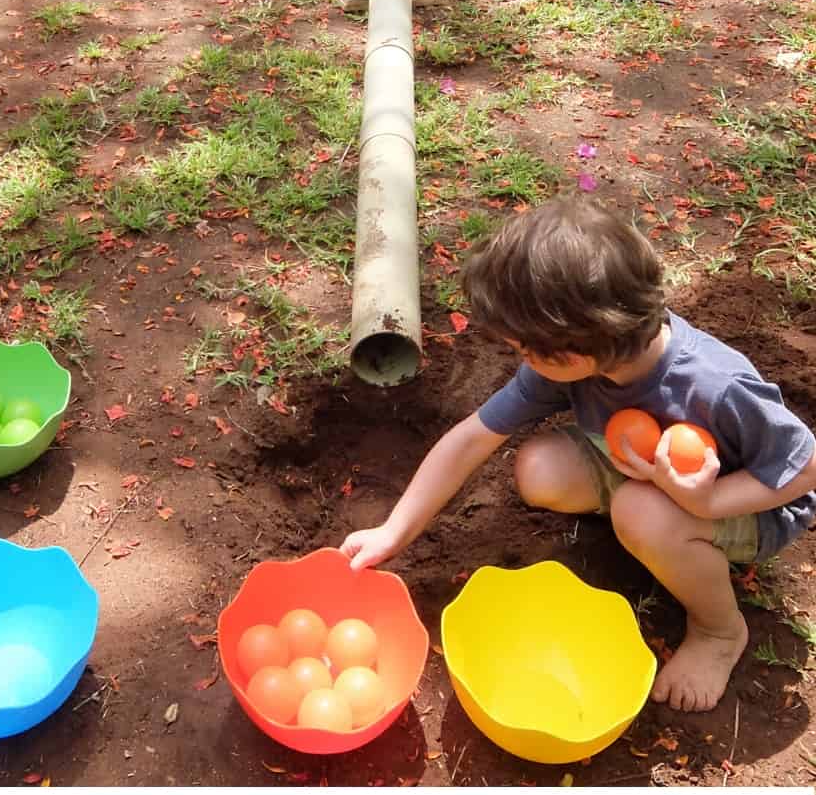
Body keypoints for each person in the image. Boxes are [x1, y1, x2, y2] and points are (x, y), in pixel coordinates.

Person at [342, 195, 816, 712]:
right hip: (650, 475)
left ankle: (719, 630)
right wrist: (394, 531)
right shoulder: (590, 356)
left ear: (571, 354)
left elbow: (803, 469)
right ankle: (655, 528)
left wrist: (707, 503)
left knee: (639, 511)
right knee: (539, 469)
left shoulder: (715, 386)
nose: (520, 360)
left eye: (523, 350)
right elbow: (472, 438)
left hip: (750, 504)